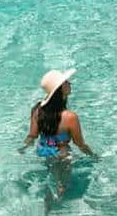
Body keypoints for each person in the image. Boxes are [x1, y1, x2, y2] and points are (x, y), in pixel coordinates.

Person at [19, 69, 97, 199]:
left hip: (43, 150)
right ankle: (54, 211)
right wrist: (93, 155)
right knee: (62, 184)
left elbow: (32, 135)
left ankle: (47, 203)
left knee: (51, 176)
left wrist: (24, 148)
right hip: (62, 154)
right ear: (60, 90)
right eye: (66, 82)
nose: (69, 83)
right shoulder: (70, 117)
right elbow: (80, 144)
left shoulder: (38, 110)